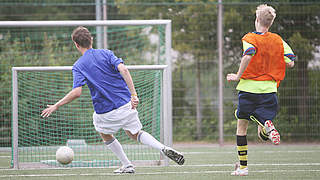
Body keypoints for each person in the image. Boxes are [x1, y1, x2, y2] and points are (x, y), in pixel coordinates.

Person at [41, 26, 185, 173]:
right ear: (91, 39)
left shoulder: (78, 65)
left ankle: (127, 164)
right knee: (135, 133)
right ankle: (162, 148)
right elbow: (124, 69)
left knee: (104, 133)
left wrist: (57, 105)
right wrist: (134, 95)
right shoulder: (106, 53)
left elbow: (77, 92)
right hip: (126, 104)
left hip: (105, 111)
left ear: (76, 45)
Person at [226, 4, 295, 176]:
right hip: (269, 90)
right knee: (262, 132)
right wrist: (273, 56)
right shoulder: (278, 40)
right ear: (270, 23)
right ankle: (267, 126)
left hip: (249, 88)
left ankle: (243, 168)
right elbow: (290, 61)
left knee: (241, 127)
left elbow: (248, 53)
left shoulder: (250, 38)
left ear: (256, 20)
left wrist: (237, 75)